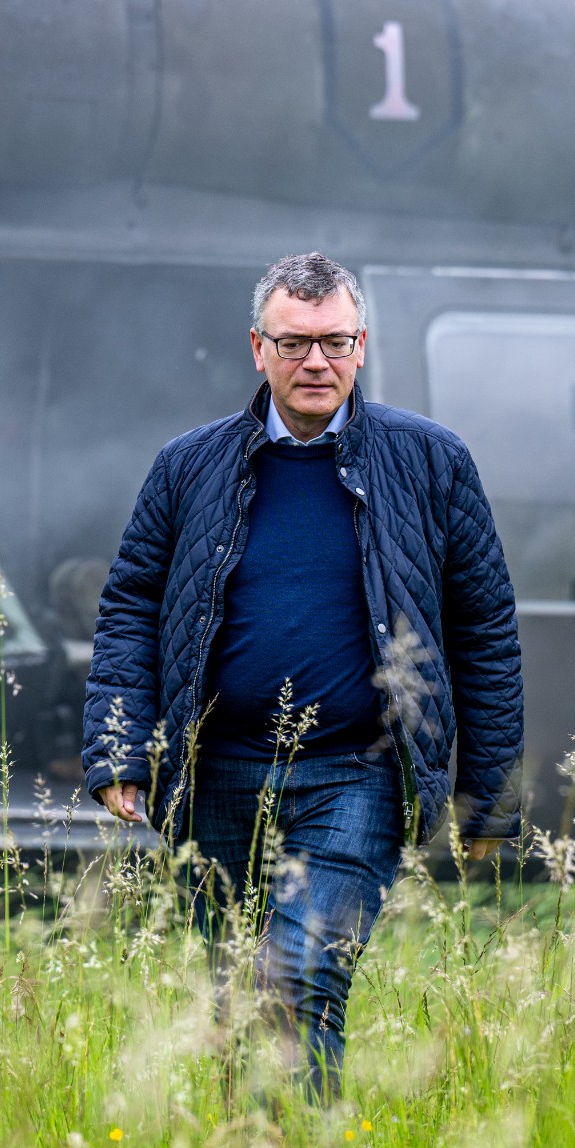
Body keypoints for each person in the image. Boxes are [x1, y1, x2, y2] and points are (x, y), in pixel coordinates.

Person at [81, 252, 523, 1099]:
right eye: (294, 343)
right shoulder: (188, 465)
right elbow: (131, 605)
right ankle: (249, 1144)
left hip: (355, 773)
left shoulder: (432, 462)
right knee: (239, 997)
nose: (314, 362)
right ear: (257, 347)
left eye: (333, 342)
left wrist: (488, 796)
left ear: (362, 346)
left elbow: (484, 627)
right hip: (216, 774)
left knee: (298, 979)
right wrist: (121, 747)